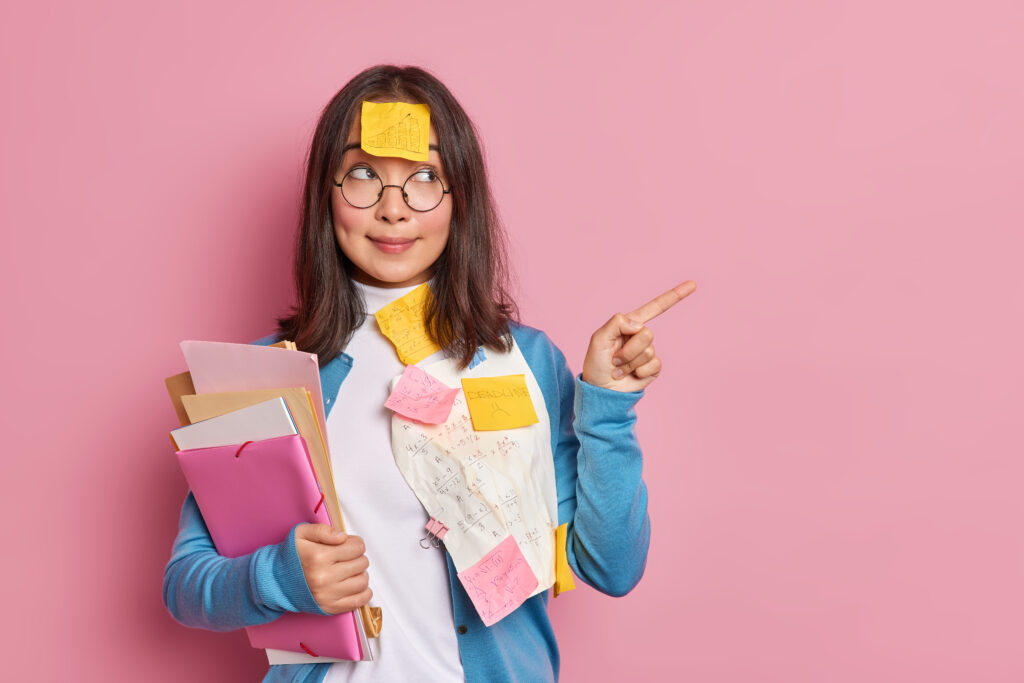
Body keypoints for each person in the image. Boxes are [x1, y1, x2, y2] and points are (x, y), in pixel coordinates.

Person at [163, 64, 694, 683]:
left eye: (425, 178)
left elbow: (612, 567)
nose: (394, 210)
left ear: (459, 195)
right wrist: (280, 576)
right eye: (363, 174)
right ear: (324, 194)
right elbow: (186, 584)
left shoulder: (528, 361)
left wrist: (606, 406)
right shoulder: (263, 374)